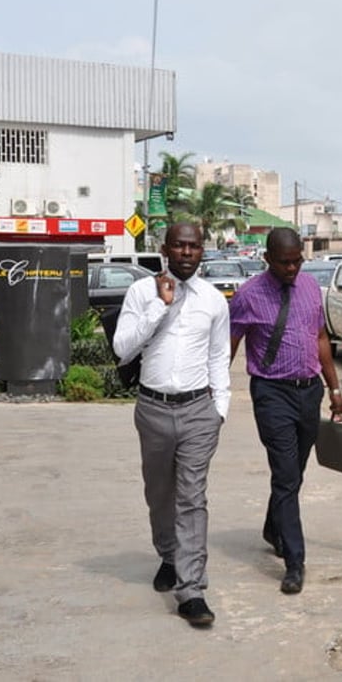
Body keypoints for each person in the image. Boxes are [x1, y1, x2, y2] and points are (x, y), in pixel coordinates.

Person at [113, 223, 231, 629]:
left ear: (202, 250)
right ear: (164, 249)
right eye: (179, 245)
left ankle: (191, 588)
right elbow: (123, 347)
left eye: (193, 246)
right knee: (159, 492)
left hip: (199, 410)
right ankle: (168, 554)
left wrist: (221, 409)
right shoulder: (141, 293)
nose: (186, 252)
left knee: (191, 497)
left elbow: (219, 357)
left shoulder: (214, 301)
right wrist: (159, 307)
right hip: (153, 409)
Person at [229, 227, 342, 595]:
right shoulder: (248, 296)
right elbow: (227, 346)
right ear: (268, 259)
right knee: (284, 473)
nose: (292, 267)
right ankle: (294, 562)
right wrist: (214, 393)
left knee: (294, 473)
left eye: (297, 260)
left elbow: (321, 337)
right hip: (271, 393)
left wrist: (335, 388)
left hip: (308, 392)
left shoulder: (311, 288)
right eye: (285, 262)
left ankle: (272, 526)